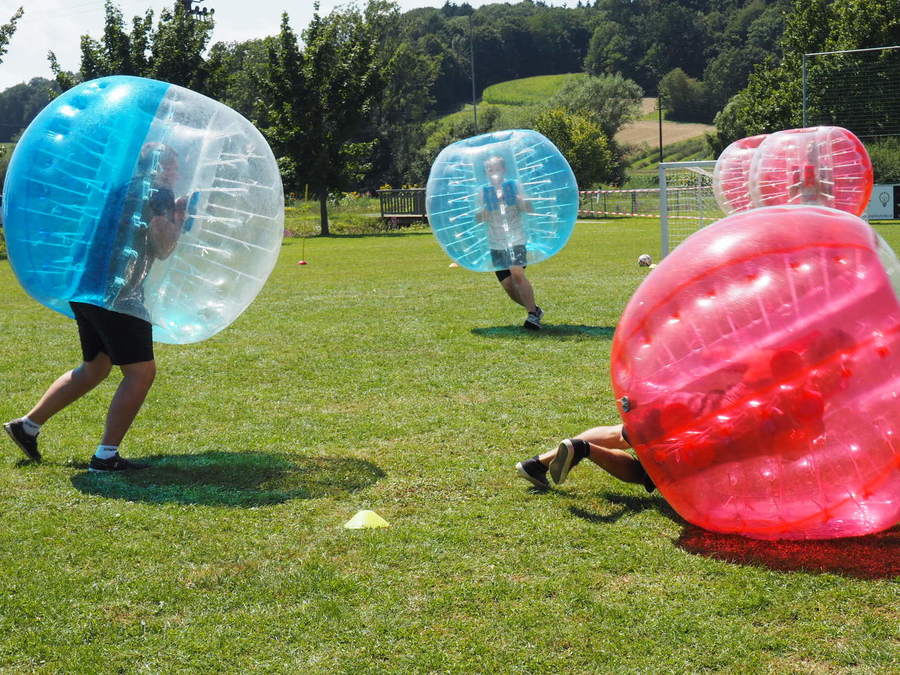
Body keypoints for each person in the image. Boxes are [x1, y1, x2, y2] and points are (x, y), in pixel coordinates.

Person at [4, 143, 185, 471]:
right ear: (159, 167)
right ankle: (105, 457)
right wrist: (181, 218)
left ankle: (27, 426)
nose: (177, 172)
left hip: (85, 288)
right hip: (119, 295)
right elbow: (162, 247)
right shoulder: (159, 192)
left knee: (96, 367)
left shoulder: (121, 188)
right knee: (141, 373)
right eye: (173, 166)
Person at [479, 155, 543, 330]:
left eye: (496, 169)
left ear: (504, 170)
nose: (493, 172)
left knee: (517, 272)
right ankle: (535, 309)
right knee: (508, 286)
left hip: (516, 238)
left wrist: (518, 200)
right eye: (490, 170)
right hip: (496, 243)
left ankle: (532, 315)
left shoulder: (514, 186)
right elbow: (478, 218)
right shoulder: (483, 192)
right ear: (486, 172)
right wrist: (487, 207)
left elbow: (529, 209)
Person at [516, 423, 656, 492]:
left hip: (657, 401)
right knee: (645, 472)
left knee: (623, 432)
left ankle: (537, 464)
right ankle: (583, 449)